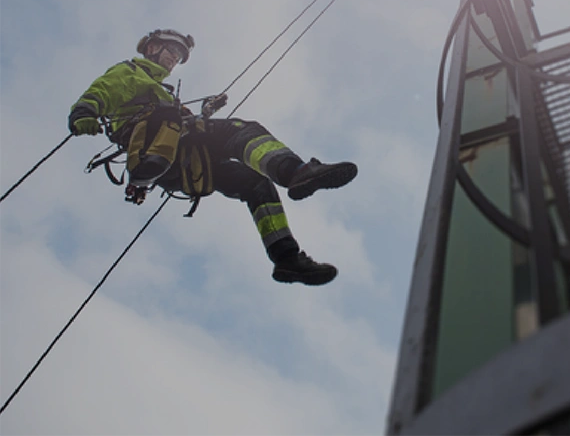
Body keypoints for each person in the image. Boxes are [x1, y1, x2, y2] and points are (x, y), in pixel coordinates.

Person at [68, 29, 357, 286]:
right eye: (171, 52)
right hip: (159, 147)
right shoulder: (131, 72)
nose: (173, 60)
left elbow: (181, 127)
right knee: (242, 132)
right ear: (153, 48)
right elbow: (103, 90)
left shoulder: (163, 93)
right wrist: (84, 112)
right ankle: (295, 172)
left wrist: (205, 113)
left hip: (177, 160)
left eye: (179, 57)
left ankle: (286, 258)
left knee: (255, 183)